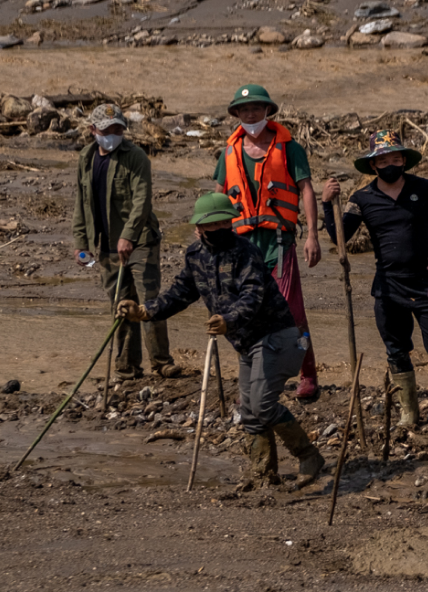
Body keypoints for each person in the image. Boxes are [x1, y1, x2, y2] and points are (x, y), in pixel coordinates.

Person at [120, 194, 323, 489]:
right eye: (211, 226)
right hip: (245, 344)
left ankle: (309, 456)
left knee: (264, 406)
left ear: (231, 223)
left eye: (224, 224)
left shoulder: (246, 252)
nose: (219, 230)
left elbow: (253, 295)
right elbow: (179, 293)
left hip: (276, 335)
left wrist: (229, 319)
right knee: (250, 411)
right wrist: (143, 312)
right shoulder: (195, 256)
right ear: (198, 229)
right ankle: (264, 475)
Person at [322, 131, 428, 431]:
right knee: (396, 349)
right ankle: (408, 412)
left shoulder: (424, 188)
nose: (390, 164)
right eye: (383, 160)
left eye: (396, 158)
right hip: (388, 287)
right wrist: (326, 204)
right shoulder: (361, 199)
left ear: (404, 161)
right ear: (373, 165)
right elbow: (340, 239)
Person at [216, 82, 322, 401]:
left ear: (267, 112)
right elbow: (218, 197)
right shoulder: (229, 153)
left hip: (279, 241)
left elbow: (306, 189)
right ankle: (255, 375)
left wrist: (313, 235)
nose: (250, 114)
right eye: (244, 110)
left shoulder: (289, 148)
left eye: (256, 109)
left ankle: (308, 373)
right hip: (241, 245)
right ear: (237, 114)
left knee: (292, 313)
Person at [74, 102, 178, 380]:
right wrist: (81, 242)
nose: (113, 133)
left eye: (119, 128)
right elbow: (81, 203)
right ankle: (127, 365)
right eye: (108, 129)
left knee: (149, 302)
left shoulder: (136, 157)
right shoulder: (86, 157)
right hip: (106, 244)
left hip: (141, 241)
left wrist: (128, 236)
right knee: (121, 304)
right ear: (92, 130)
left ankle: (161, 362)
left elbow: (142, 201)